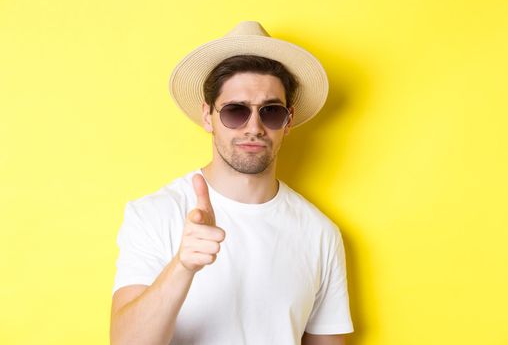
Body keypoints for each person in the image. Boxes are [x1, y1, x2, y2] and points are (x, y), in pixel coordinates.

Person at [110, 21, 354, 345]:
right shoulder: (153, 215)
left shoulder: (320, 233)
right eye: (236, 111)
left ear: (288, 120)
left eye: (270, 112)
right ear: (208, 116)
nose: (253, 127)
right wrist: (183, 266)